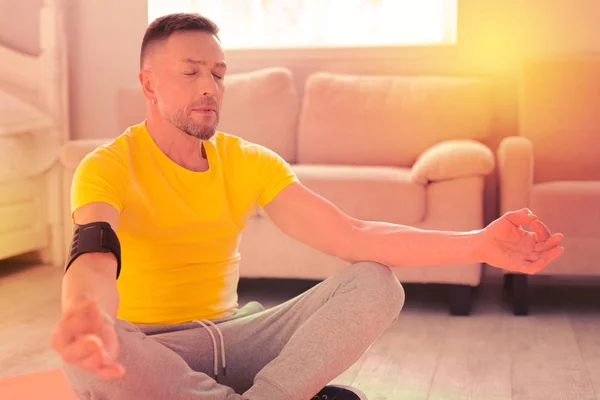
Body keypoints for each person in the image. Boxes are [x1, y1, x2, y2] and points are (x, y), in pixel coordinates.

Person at [50, 13, 565, 400]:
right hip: (157, 352)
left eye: (218, 73)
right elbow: (95, 254)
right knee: (87, 361)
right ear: (149, 83)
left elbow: (354, 235)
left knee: (376, 282)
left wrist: (479, 244)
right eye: (189, 73)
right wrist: (84, 314)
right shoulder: (107, 165)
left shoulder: (249, 162)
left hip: (240, 338)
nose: (209, 87)